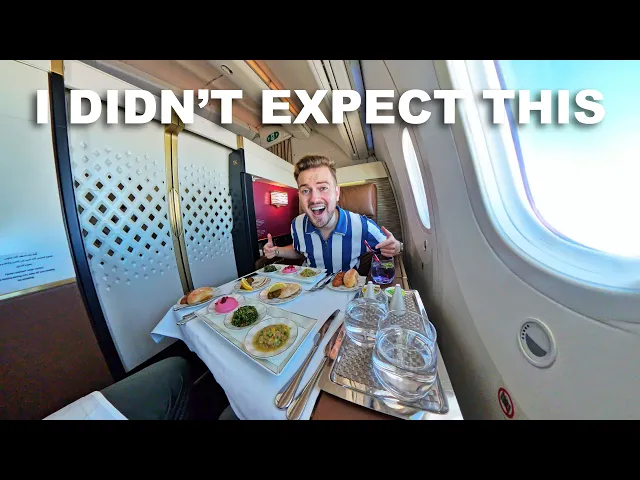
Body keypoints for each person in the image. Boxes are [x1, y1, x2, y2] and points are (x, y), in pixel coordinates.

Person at [263, 155, 403, 274]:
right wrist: (277, 251)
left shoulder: (362, 225)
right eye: (306, 190)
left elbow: (393, 246)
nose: (314, 199)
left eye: (323, 188)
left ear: (336, 193)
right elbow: (300, 250)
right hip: (309, 289)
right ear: (299, 195)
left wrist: (395, 246)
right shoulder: (297, 224)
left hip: (346, 290)